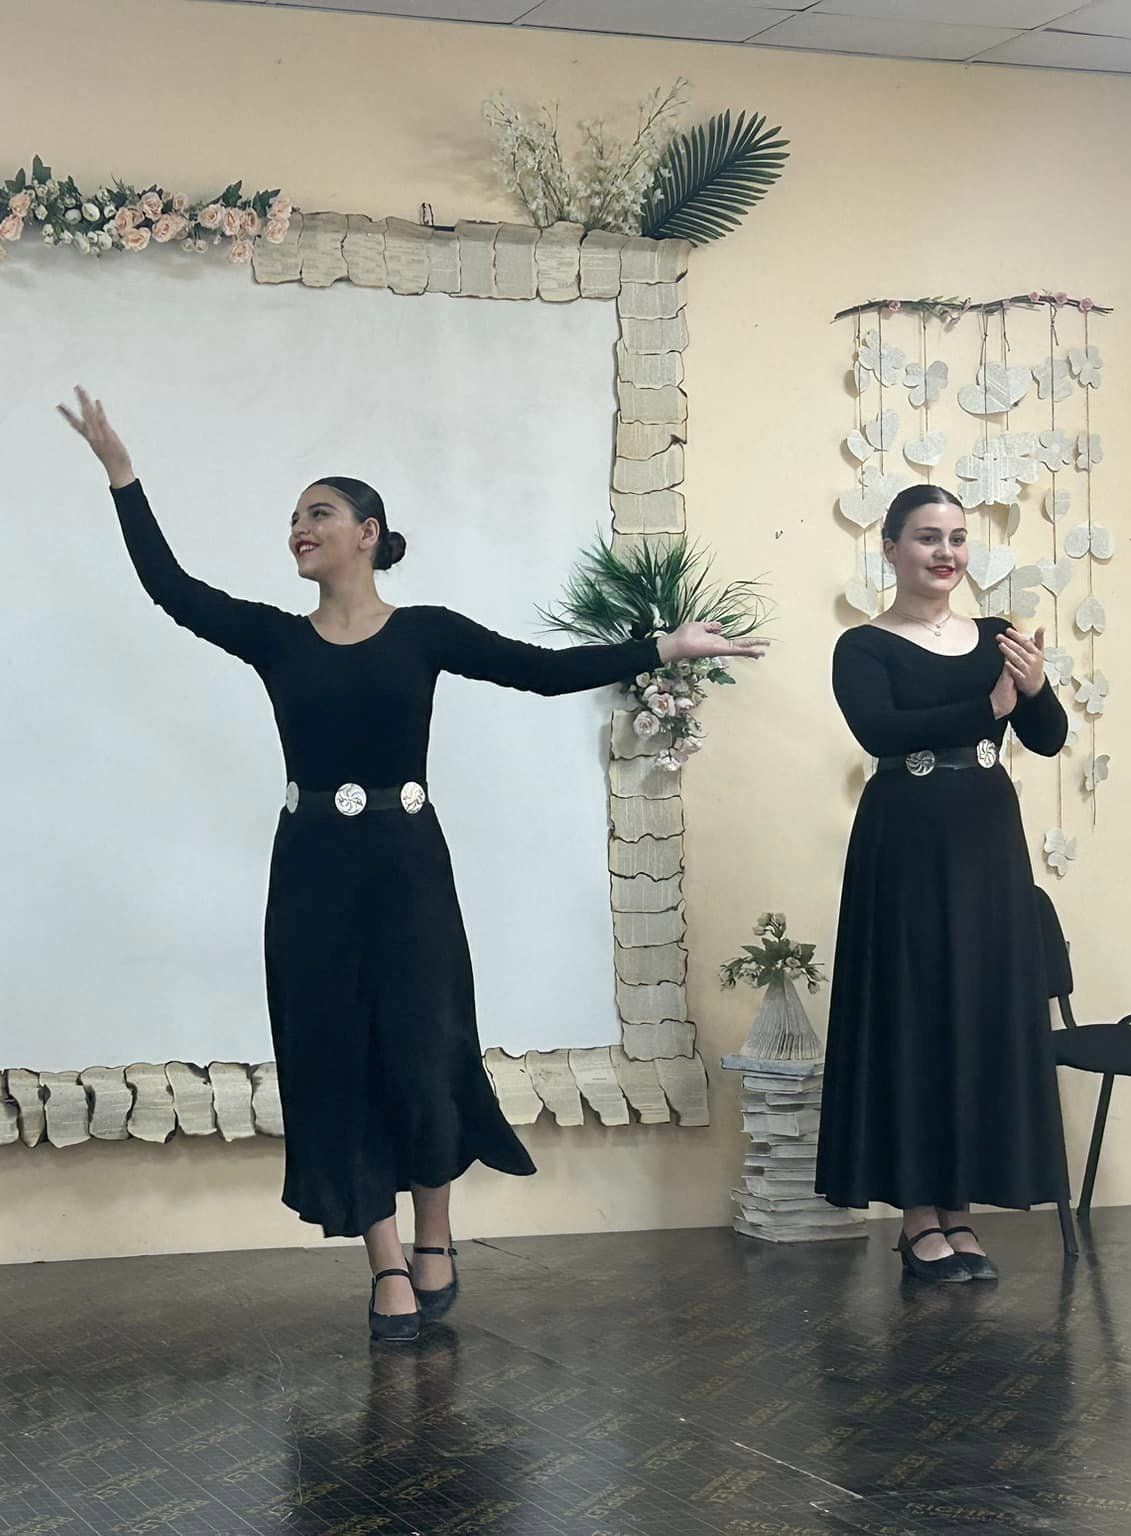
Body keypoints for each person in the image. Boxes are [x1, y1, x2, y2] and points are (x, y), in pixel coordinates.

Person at [59, 387, 765, 1341]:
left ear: (367, 533)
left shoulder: (425, 631)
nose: (299, 528)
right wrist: (122, 476)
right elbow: (171, 588)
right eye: (293, 517)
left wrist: (661, 646)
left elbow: (540, 670)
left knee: (424, 1045)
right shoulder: (275, 639)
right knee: (337, 1056)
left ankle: (437, 1234)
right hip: (311, 872)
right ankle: (385, 1260)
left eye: (318, 512)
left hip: (407, 867)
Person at [817, 483, 1068, 1282]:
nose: (946, 552)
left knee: (976, 1010)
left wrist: (1033, 690)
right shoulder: (863, 647)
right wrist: (986, 705)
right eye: (928, 537)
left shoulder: (997, 637)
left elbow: (1048, 738)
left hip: (988, 843)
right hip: (907, 843)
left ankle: (959, 1212)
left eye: (957, 538)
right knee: (916, 1012)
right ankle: (917, 1216)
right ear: (891, 548)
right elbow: (880, 731)